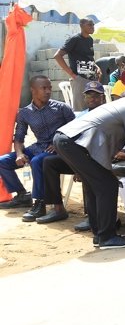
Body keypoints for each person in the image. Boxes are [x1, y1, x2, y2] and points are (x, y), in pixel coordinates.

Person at [52, 89, 125, 249]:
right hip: (76, 143)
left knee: (95, 186)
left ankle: (99, 235)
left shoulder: (123, 103)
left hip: (66, 139)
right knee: (108, 185)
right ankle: (107, 237)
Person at [0, 76, 76, 220]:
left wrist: (59, 143)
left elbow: (77, 130)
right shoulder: (25, 113)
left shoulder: (62, 108)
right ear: (33, 90)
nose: (48, 91)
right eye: (44, 88)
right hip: (38, 147)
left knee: (37, 161)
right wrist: (19, 154)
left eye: (49, 88)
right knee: (2, 161)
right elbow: (19, 138)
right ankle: (22, 195)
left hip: (58, 149)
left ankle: (39, 203)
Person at [35, 81, 107, 225]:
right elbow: (71, 138)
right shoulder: (81, 116)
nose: (92, 99)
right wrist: (75, 166)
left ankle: (91, 216)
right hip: (79, 158)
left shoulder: (108, 114)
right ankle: (58, 208)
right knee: (49, 162)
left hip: (98, 158)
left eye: (96, 96)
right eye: (89, 96)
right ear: (84, 98)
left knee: (87, 170)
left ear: (103, 98)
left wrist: (79, 168)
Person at [53, 17, 98, 111]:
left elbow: (89, 58)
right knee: (81, 110)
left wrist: (97, 68)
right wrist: (72, 75)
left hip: (91, 79)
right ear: (81, 26)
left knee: (93, 110)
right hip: (80, 79)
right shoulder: (74, 39)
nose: (92, 27)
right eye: (90, 24)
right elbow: (57, 56)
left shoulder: (90, 40)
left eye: (93, 25)